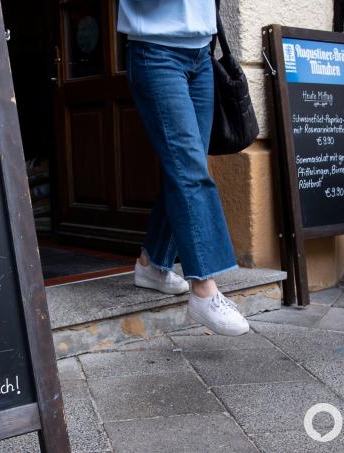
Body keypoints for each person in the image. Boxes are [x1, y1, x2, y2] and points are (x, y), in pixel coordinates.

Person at [118, 0, 249, 336]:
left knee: (185, 167)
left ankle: (152, 263)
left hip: (201, 54)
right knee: (189, 170)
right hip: (155, 51)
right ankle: (204, 289)